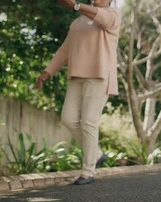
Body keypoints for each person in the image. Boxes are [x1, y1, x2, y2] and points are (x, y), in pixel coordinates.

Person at [35, 0, 121, 185]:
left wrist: (75, 5)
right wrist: (47, 72)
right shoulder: (78, 22)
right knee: (68, 118)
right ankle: (97, 155)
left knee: (88, 122)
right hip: (76, 76)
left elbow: (102, 18)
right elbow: (65, 50)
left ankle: (88, 171)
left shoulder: (113, 14)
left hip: (99, 76)